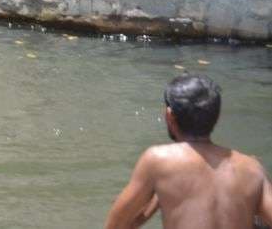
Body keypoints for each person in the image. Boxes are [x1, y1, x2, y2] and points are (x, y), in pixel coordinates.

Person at [105, 74, 272, 229]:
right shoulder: (252, 168)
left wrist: (155, 195)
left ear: (169, 115)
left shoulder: (158, 160)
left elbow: (116, 225)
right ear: (218, 116)